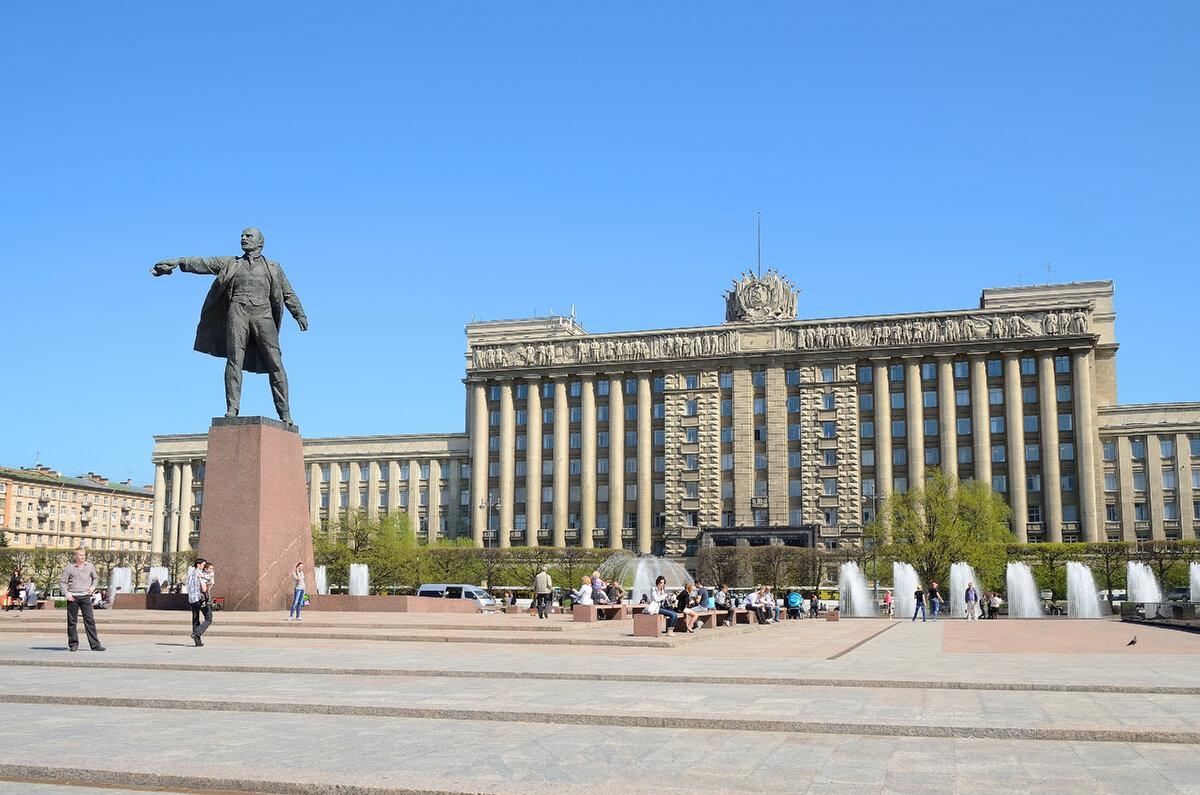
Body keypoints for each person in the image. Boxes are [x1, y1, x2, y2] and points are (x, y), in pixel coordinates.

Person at [151, 227, 309, 425]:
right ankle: (232, 408)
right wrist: (178, 262)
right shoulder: (230, 263)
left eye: (248, 236)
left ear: (260, 242)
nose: (243, 238)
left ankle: (285, 413)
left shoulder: (274, 267)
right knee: (234, 361)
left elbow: (288, 293)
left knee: (275, 363)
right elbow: (203, 263)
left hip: (264, 314)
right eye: (242, 236)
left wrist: (299, 314)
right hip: (237, 312)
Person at [60, 547, 105, 651]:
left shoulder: (90, 566)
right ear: (75, 556)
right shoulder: (69, 568)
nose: (83, 557)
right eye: (80, 555)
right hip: (73, 597)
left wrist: (93, 587)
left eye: (84, 555)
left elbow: (95, 578)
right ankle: (73, 644)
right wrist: (67, 594)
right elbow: (63, 582)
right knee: (72, 622)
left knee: (90, 621)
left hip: (85, 596)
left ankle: (95, 645)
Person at [188, 558, 213, 647]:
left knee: (195, 619)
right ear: (198, 565)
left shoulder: (191, 574)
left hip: (192, 599)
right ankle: (197, 634)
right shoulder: (201, 574)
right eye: (203, 565)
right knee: (209, 618)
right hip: (200, 599)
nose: (204, 567)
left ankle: (197, 641)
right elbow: (204, 588)